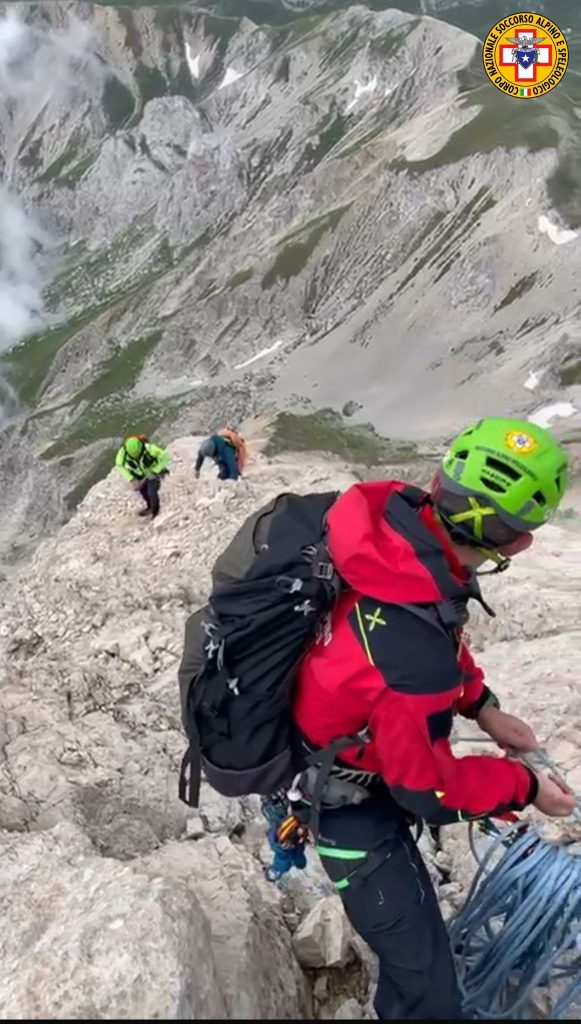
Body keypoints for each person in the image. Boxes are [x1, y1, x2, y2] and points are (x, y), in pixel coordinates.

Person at [289, 417, 575, 1021]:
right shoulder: (413, 654)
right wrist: (524, 787)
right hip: (344, 805)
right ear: (517, 543)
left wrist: (484, 706)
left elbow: (432, 642)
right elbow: (426, 789)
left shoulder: (400, 533)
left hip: (355, 749)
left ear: (437, 483)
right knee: (429, 990)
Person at [115, 434, 170, 519]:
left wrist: (155, 470)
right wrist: (132, 479)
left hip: (153, 473)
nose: (136, 457)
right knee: (144, 492)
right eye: (133, 456)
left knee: (152, 492)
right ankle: (150, 506)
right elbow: (119, 466)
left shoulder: (150, 448)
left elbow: (165, 458)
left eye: (137, 454)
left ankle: (155, 512)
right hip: (139, 475)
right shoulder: (122, 453)